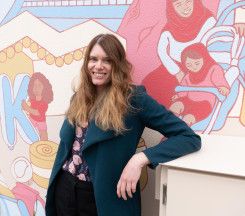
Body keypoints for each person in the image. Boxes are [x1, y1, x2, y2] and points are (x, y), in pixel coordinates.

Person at [45, 34, 201, 216]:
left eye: (107, 60)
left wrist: (139, 159)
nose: (98, 66)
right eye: (93, 59)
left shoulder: (134, 100)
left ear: (117, 65)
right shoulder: (79, 98)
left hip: (103, 200)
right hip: (64, 190)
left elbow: (189, 138)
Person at [142, 0, 244, 108]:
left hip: (198, 68)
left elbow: (218, 35)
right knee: (149, 84)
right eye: (178, 4)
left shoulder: (208, 20)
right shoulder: (169, 29)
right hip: (175, 69)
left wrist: (237, 26)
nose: (184, 7)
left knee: (184, 96)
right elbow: (162, 52)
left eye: (187, 2)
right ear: (172, 8)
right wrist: (177, 72)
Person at [169, 43, 230, 126]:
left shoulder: (214, 69)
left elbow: (221, 82)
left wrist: (223, 88)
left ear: (204, 58)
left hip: (204, 105)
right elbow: (183, 89)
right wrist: (179, 95)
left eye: (197, 63)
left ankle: (179, 133)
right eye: (189, 65)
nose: (193, 67)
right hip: (188, 100)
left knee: (188, 118)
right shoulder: (188, 75)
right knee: (175, 106)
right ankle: (168, 128)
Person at [22, 72, 54, 141]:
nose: (36, 88)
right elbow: (27, 106)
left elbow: (37, 112)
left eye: (39, 85)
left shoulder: (44, 103)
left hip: (41, 123)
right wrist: (24, 106)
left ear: (44, 87)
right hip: (31, 121)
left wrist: (27, 108)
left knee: (43, 137)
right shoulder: (31, 99)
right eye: (34, 85)